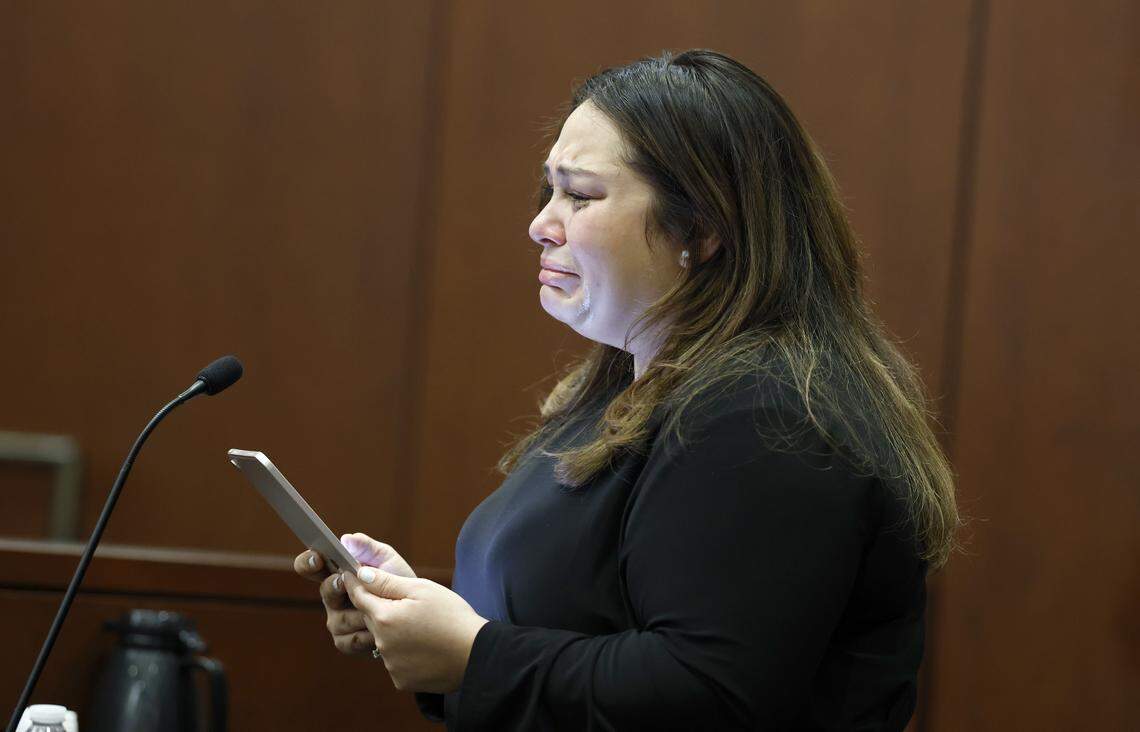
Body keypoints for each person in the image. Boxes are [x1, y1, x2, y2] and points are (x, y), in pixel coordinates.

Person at [294, 48, 959, 730]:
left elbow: (707, 695)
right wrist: (423, 626)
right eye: (549, 189)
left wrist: (474, 656)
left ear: (700, 230)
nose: (540, 224)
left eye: (579, 195)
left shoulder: (767, 414)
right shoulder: (616, 394)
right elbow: (582, 632)